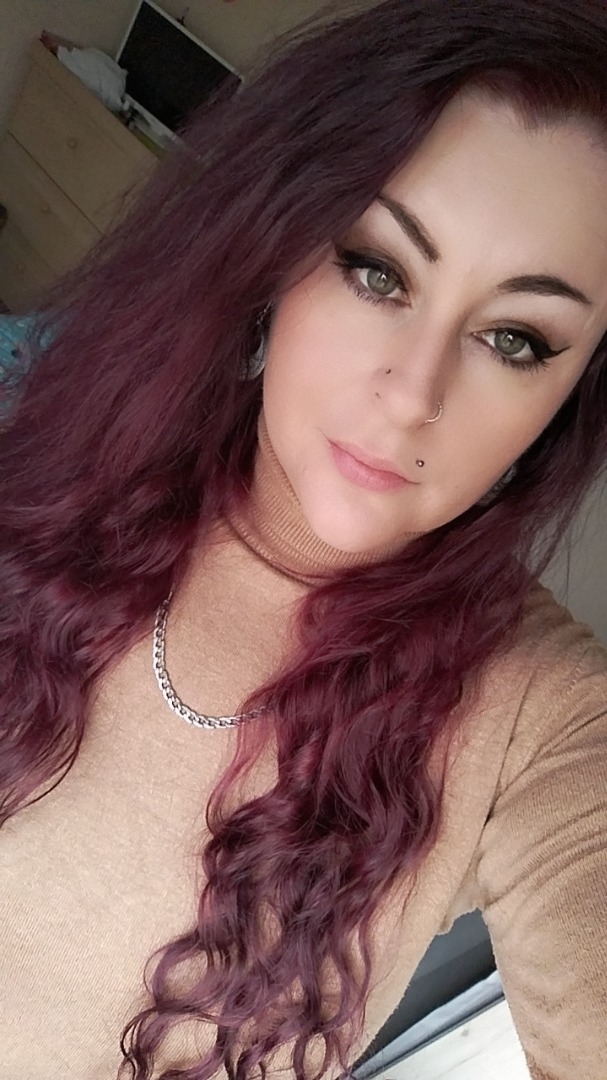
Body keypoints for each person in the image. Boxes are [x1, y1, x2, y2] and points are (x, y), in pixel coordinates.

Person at [0, 0, 606, 1077]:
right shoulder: (66, 450)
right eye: (378, 271)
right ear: (275, 250)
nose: (411, 395)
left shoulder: (540, 721)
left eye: (515, 338)